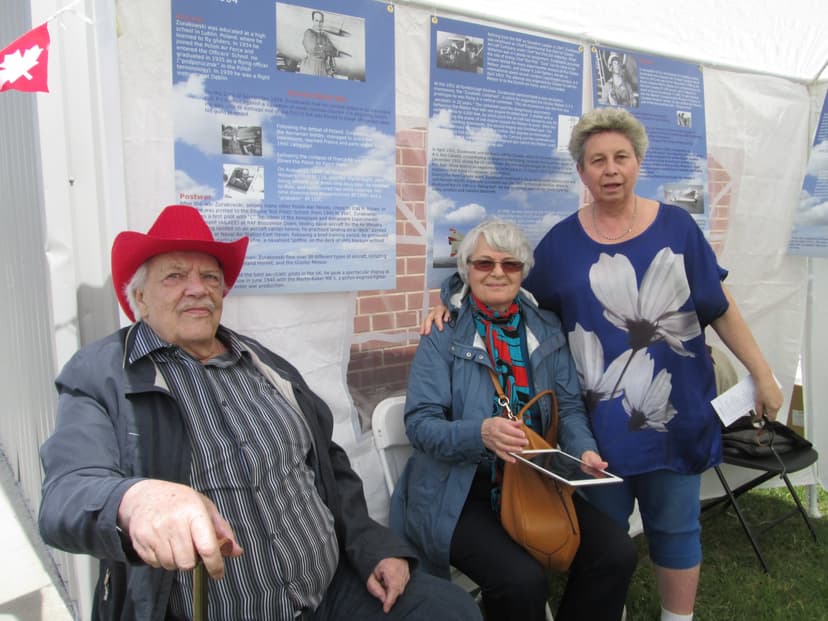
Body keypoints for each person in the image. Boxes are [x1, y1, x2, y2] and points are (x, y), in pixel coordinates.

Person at [37, 204, 482, 621]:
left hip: (331, 590)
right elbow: (65, 495)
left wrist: (372, 545)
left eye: (210, 277)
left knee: (450, 608)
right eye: (174, 276)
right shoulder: (104, 375)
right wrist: (134, 501)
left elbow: (330, 465)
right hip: (214, 610)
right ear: (139, 297)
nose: (198, 288)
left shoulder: (265, 364)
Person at [423, 108, 784, 621]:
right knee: (601, 541)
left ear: (638, 162)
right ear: (582, 171)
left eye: (621, 157)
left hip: (675, 411)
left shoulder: (678, 228)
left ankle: (677, 619)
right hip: (596, 426)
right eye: (597, 160)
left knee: (677, 527)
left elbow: (719, 305)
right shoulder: (562, 244)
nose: (610, 169)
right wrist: (451, 301)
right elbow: (507, 290)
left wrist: (763, 374)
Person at [392, 219, 637, 621]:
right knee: (521, 580)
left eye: (510, 264)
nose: (497, 273)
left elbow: (570, 408)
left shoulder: (547, 327)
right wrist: (481, 433)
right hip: (459, 491)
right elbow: (420, 424)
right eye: (484, 263)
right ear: (466, 269)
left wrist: (584, 451)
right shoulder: (442, 331)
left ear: (524, 270)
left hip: (532, 482)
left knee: (616, 552)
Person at [299, 10, 338, 77]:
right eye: (316, 20)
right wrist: (325, 49)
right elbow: (313, 49)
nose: (318, 23)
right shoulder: (309, 32)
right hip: (310, 67)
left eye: (320, 21)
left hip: (323, 69)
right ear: (313, 20)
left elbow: (333, 51)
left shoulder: (324, 36)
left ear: (323, 22)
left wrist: (321, 47)